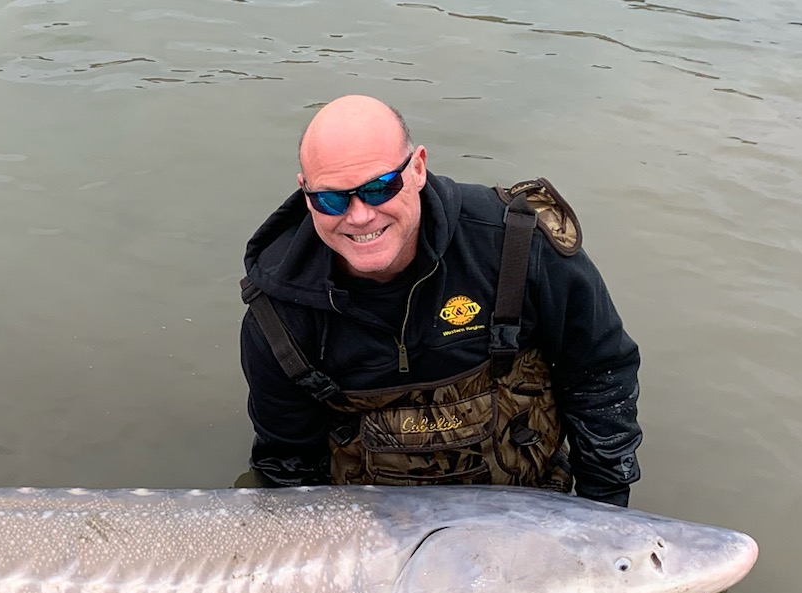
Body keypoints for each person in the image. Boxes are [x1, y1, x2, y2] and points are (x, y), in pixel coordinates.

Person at [239, 95, 641, 502]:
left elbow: (600, 377)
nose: (360, 216)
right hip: (373, 534)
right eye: (331, 198)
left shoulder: (518, 246)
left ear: (417, 168)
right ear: (305, 193)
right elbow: (288, 467)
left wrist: (605, 506)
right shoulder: (278, 310)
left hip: (529, 510)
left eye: (380, 188)